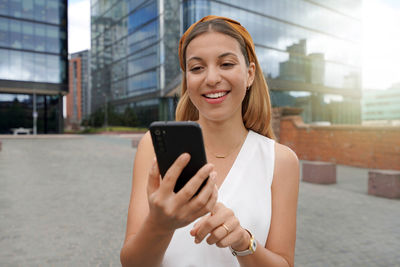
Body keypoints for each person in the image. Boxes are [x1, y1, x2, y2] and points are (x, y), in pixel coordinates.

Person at [120, 15, 299, 267]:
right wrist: (159, 225)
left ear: (249, 74)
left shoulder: (280, 160)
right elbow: (132, 263)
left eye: (226, 64)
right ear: (187, 81)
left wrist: (244, 242)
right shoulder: (153, 146)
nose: (212, 78)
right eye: (196, 68)